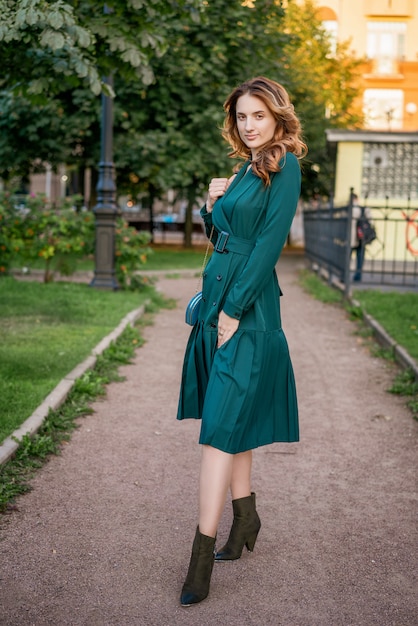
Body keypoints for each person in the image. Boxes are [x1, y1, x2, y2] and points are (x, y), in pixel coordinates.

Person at [177, 76, 307, 606]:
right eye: (242, 117)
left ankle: (200, 560)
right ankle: (246, 517)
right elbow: (226, 242)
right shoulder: (245, 169)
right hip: (216, 308)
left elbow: (269, 246)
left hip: (246, 315)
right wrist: (213, 207)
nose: (249, 125)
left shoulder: (286, 166)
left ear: (277, 117)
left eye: (258, 116)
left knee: (218, 433)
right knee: (233, 424)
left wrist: (233, 311)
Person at [351, 193, 373, 282]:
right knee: (360, 258)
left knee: (346, 258)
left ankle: (344, 276)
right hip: (361, 238)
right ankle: (358, 275)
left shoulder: (346, 209)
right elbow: (371, 222)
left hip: (350, 238)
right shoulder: (363, 209)